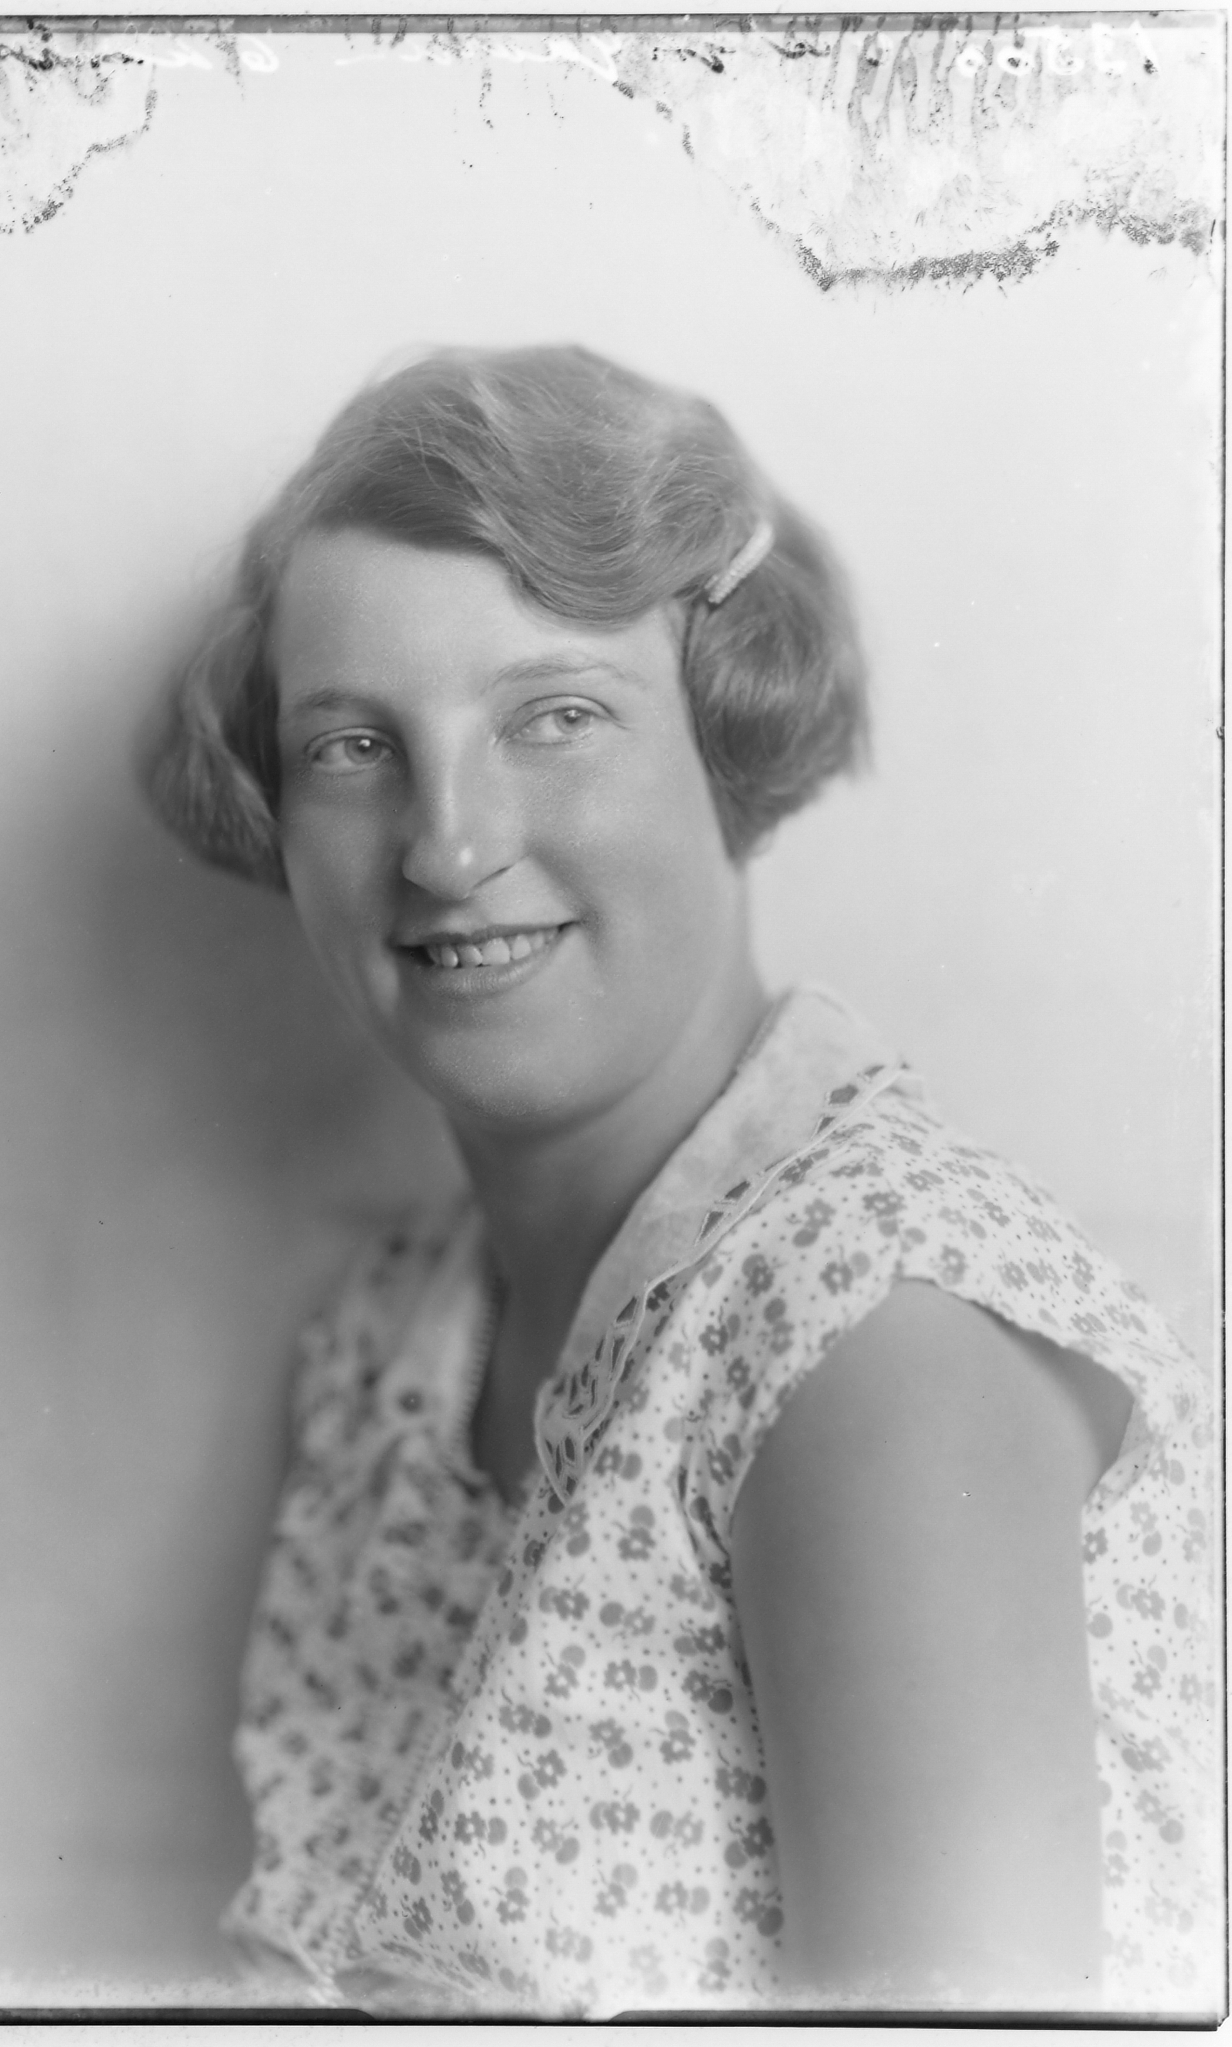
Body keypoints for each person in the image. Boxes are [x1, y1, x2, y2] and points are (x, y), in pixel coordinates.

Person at [144, 346, 1218, 2018]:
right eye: (351, 746)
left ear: (733, 740)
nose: (446, 845)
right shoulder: (388, 1342)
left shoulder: (868, 1341)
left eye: (556, 717)